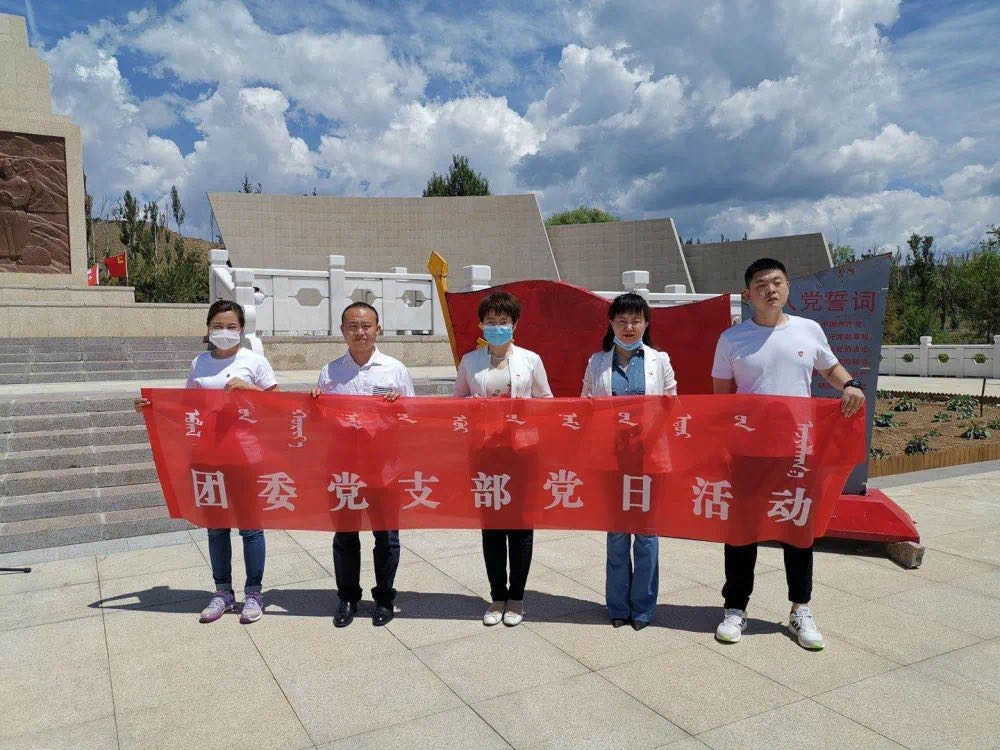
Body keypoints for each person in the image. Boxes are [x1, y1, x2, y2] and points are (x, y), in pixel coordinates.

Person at [711, 258, 865, 650]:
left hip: (798, 449)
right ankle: (734, 608)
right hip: (749, 452)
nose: (770, 289)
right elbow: (721, 399)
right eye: (761, 284)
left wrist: (851, 384)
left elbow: (830, 369)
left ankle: (800, 609)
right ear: (748, 294)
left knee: (797, 528)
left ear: (788, 287)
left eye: (777, 282)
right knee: (741, 531)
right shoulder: (732, 339)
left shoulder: (808, 329)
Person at [134, 300, 279, 624]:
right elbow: (187, 405)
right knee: (216, 528)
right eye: (218, 326)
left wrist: (250, 389)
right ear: (208, 329)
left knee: (251, 528)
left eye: (231, 326)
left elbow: (279, 405)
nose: (224, 331)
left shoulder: (255, 362)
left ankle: (253, 593)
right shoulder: (199, 362)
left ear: (241, 329)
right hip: (209, 455)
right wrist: (153, 406)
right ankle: (223, 592)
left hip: (245, 455)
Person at [312, 301, 415, 628]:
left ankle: (384, 598)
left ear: (378, 329)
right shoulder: (330, 372)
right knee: (345, 535)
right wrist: (315, 405)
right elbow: (319, 422)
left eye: (366, 326)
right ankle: (347, 597)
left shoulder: (395, 369)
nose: (360, 332)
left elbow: (412, 416)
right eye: (353, 326)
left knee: (387, 537)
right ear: (342, 331)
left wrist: (399, 407)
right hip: (343, 469)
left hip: (384, 468)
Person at [453, 291, 553, 626]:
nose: (498, 327)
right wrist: (473, 409)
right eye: (491, 321)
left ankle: (517, 598)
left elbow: (546, 400)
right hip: (485, 454)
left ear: (515, 325)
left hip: (522, 453)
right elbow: (457, 402)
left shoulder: (531, 360)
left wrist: (524, 413)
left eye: (504, 321)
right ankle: (497, 597)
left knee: (521, 527)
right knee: (493, 527)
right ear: (481, 325)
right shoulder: (470, 361)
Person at [582, 293, 677, 630]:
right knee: (618, 534)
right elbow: (586, 404)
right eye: (621, 320)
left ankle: (643, 609)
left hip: (648, 458)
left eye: (636, 320)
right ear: (611, 324)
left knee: (647, 536)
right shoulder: (597, 362)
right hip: (612, 460)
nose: (629, 327)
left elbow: (672, 404)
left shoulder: (659, 360)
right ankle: (618, 607)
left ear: (646, 323)